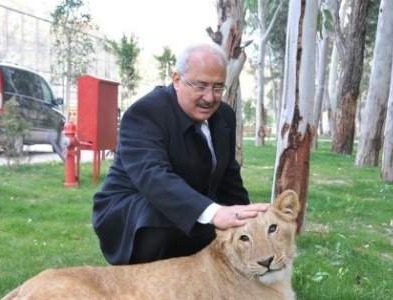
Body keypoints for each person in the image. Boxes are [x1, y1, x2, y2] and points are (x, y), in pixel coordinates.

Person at [92, 42, 268, 265]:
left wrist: (246, 219)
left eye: (218, 87)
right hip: (132, 217)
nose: (209, 97)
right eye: (200, 85)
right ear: (177, 80)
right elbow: (153, 176)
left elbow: (228, 174)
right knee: (171, 218)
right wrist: (215, 213)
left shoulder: (224, 115)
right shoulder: (146, 112)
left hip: (195, 207)